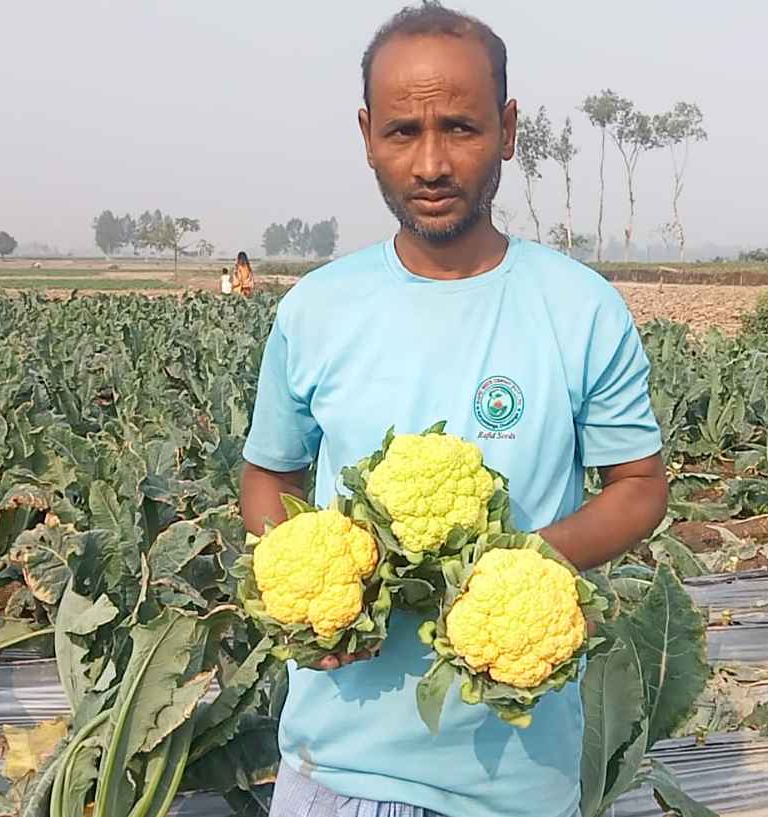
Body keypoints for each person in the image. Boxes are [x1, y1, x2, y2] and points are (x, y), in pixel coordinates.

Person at [239, 4, 668, 817]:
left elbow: (640, 483)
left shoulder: (580, 308)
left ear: (508, 130)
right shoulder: (316, 309)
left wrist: (527, 564)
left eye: (461, 128)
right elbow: (269, 473)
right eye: (403, 131)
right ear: (367, 134)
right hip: (333, 775)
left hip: (518, 782)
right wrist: (302, 578)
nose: (431, 162)